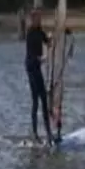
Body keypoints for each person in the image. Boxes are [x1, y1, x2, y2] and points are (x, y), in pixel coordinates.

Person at [25, 10, 54, 145]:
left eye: (40, 18)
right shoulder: (30, 33)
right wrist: (42, 59)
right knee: (35, 100)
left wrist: (52, 38)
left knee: (44, 99)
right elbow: (31, 55)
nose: (40, 20)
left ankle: (48, 133)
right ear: (33, 19)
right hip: (31, 67)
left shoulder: (39, 31)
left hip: (37, 68)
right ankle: (35, 133)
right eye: (38, 18)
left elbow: (48, 42)